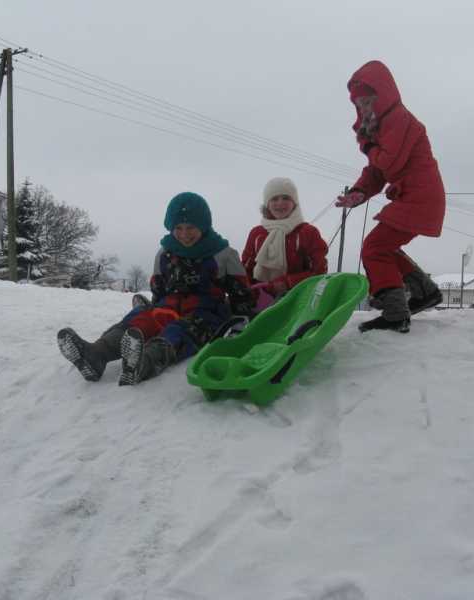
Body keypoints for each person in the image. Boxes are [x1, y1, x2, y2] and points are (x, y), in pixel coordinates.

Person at [57, 191, 254, 386]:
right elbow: (158, 285)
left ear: (204, 225)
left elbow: (240, 291)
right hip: (167, 306)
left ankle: (144, 363)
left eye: (191, 227)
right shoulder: (165, 253)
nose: (184, 234)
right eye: (178, 227)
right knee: (140, 319)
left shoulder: (223, 253)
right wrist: (152, 309)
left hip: (204, 313)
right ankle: (97, 354)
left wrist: (242, 321)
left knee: (178, 332)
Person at [335, 60, 445, 333]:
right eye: (359, 104)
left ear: (383, 96)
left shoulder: (399, 120)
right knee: (381, 246)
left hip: (420, 196)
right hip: (415, 196)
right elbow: (376, 171)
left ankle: (396, 313)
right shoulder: (382, 128)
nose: (364, 108)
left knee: (374, 247)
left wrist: (368, 144)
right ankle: (424, 292)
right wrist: (359, 193)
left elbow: (390, 163)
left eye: (369, 100)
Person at [241, 177, 328, 307]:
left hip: (298, 300)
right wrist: (247, 293)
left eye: (286, 198)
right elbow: (246, 269)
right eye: (274, 199)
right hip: (261, 301)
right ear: (267, 204)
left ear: (294, 203)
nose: (280, 203)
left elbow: (319, 270)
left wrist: (288, 282)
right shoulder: (257, 233)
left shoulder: (308, 232)